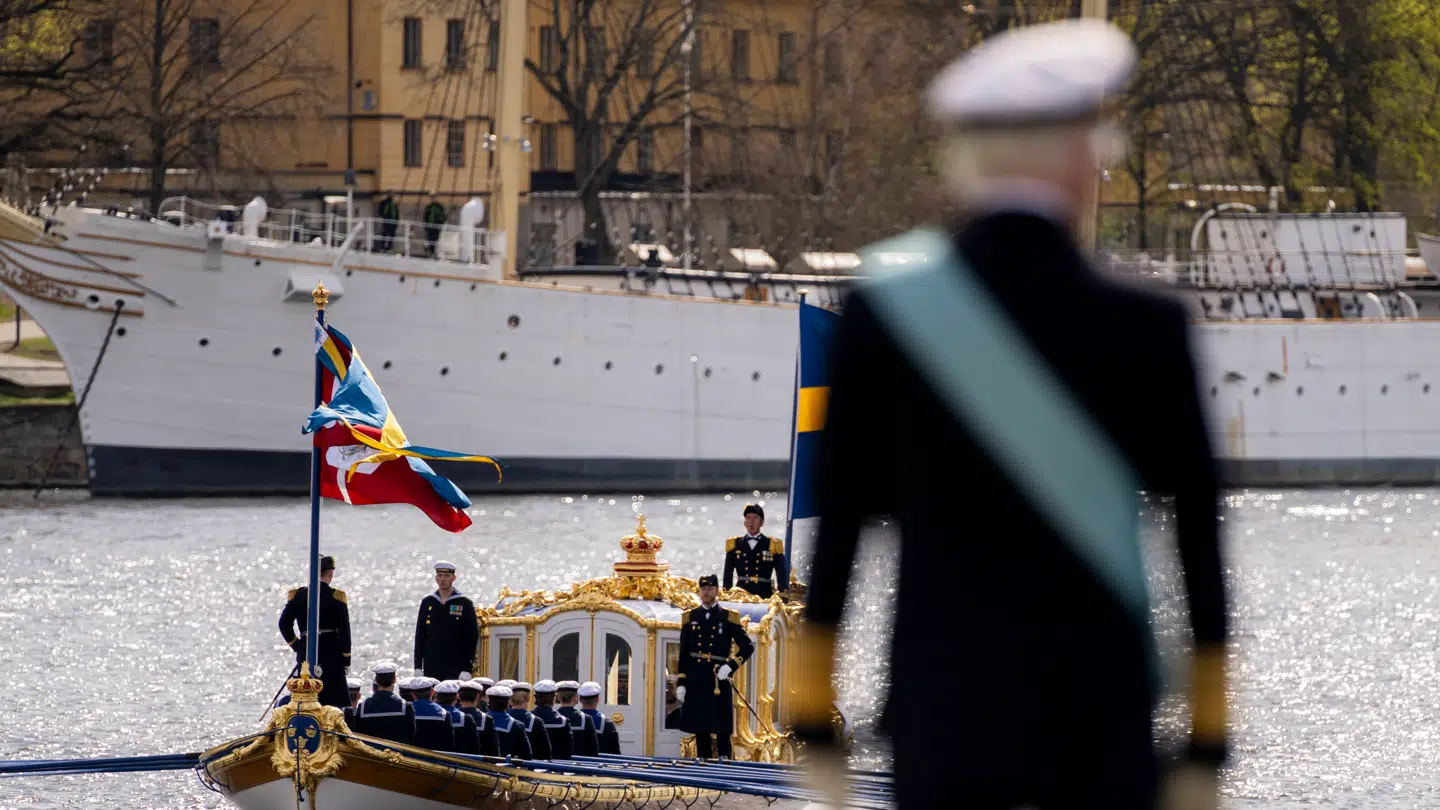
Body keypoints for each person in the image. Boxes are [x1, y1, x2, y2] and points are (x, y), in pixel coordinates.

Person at [792, 19, 1229, 810]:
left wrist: (814, 715)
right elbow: (1196, 529)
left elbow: (843, 523)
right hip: (1101, 717)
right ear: (1079, 153)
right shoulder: (1147, 323)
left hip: (944, 712)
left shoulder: (881, 314)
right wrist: (1208, 734)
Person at [676, 575, 754, 759]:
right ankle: (703, 765)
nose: (706, 592)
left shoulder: (728, 617)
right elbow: (684, 653)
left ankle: (724, 765)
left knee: (721, 727)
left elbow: (748, 646)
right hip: (696, 678)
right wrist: (681, 682)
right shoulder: (691, 617)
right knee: (700, 727)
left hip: (718, 678)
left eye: (710, 589)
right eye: (703, 589)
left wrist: (731, 665)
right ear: (699, 591)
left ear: (717, 591)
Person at [277, 555, 352, 707]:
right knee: (336, 701)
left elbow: (284, 624)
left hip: (306, 652)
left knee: (305, 697)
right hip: (331, 654)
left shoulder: (298, 596)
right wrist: (346, 659)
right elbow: (345, 632)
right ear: (330, 574)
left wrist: (297, 645)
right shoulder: (336, 597)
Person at [414, 561, 480, 681]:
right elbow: (420, 635)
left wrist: (467, 668)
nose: (443, 579)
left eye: (446, 575)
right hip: (431, 664)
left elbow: (471, 637)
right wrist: (418, 666)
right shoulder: (428, 602)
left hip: (455, 664)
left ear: (453, 578)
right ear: (435, 578)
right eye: (440, 575)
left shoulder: (464, 603)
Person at [722, 504, 789, 598]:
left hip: (765, 594)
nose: (751, 521)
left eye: (755, 518)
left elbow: (781, 574)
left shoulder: (772, 544)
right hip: (741, 594)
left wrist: (783, 596)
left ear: (762, 523)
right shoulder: (735, 544)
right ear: (745, 522)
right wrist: (726, 595)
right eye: (748, 518)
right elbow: (727, 574)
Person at [349, 661, 416, 745]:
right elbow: (412, 736)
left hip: (371, 755)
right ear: (395, 679)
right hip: (399, 755)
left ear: (376, 681)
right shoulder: (405, 706)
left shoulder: (363, 707)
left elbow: (358, 735)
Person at [508, 682, 553, 759]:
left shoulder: (502, 719)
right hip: (528, 766)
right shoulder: (537, 721)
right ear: (528, 698)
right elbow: (546, 752)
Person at [486, 684, 533, 758]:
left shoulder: (479, 721)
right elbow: (526, 755)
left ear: (489, 701)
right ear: (508, 702)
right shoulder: (517, 725)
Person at [435, 680, 481, 754]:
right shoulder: (466, 719)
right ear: (457, 697)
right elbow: (475, 746)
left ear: (436, 698)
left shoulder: (431, 717)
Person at [531, 680, 574, 760]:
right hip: (558, 767)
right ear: (554, 698)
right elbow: (568, 751)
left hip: (530, 767)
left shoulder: (529, 719)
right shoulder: (563, 721)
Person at [410, 677, 455, 751]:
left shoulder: (406, 711)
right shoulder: (443, 714)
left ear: (412, 694)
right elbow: (450, 742)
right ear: (433, 692)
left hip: (411, 757)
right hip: (437, 758)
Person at [556, 680, 599, 756]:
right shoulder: (586, 719)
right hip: (580, 764)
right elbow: (593, 748)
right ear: (575, 698)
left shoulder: (553, 717)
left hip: (554, 764)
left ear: (559, 698)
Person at [578, 682, 621, 755]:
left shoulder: (572, 721)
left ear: (580, 700)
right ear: (598, 699)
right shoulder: (607, 724)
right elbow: (615, 750)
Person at [460, 680, 502, 756]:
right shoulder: (487, 720)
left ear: (458, 696)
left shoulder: (451, 717)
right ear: (477, 697)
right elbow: (494, 750)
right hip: (479, 765)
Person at [423, 193, 446, 257]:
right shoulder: (429, 206)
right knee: (429, 239)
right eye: (432, 197)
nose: (433, 198)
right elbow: (425, 217)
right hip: (429, 227)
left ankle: (433, 253)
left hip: (436, 227)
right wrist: (426, 226)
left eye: (434, 197)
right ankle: (430, 253)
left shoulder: (439, 207)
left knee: (435, 240)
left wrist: (440, 224)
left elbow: (442, 216)